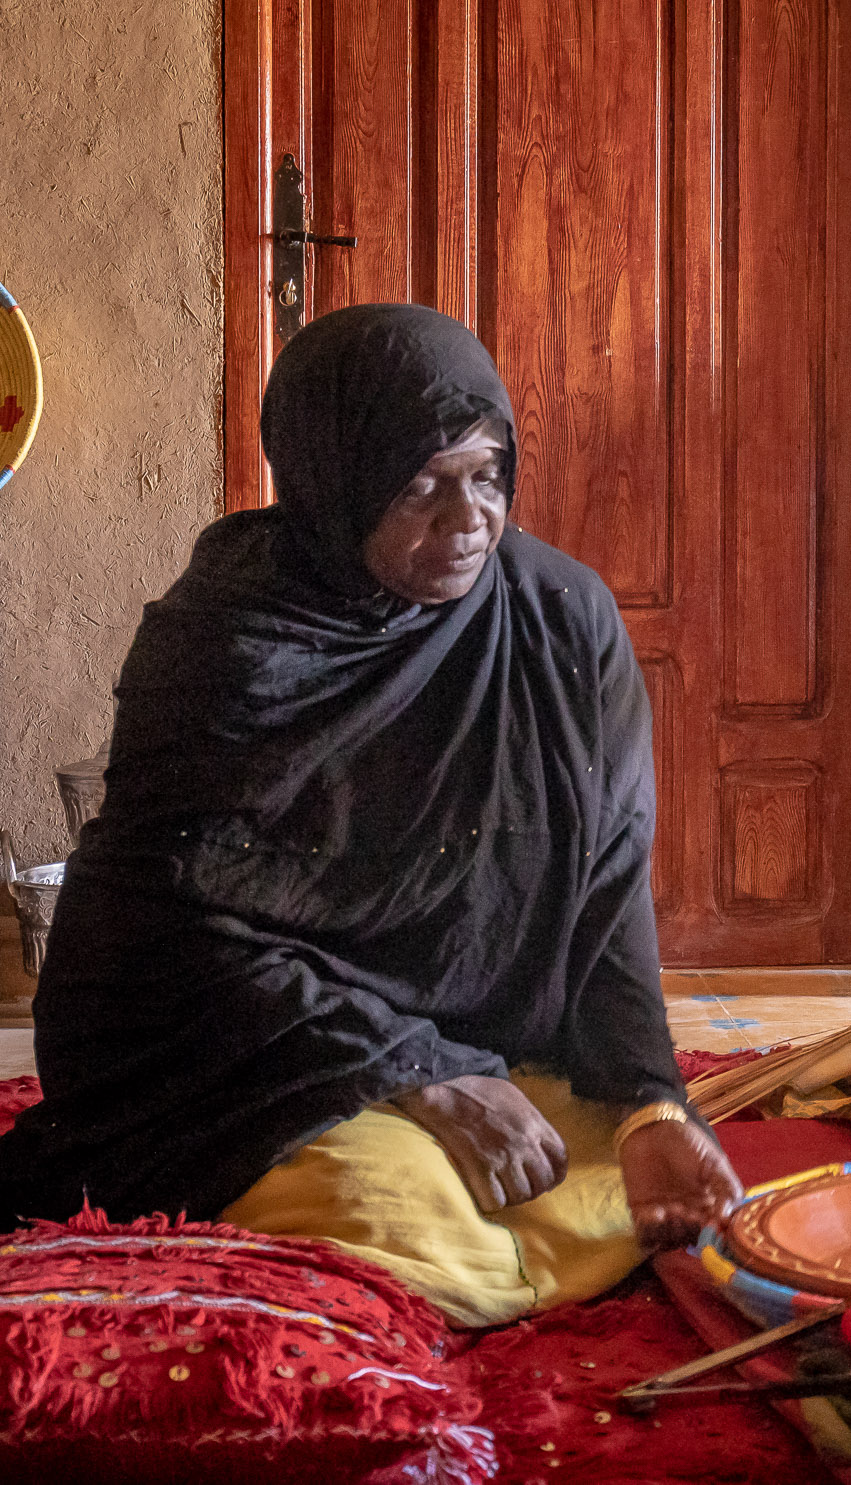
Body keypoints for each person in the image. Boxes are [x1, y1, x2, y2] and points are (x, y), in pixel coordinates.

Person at [0, 304, 742, 1326]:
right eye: (419, 487)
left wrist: (655, 1100)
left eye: (487, 474)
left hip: (486, 1032)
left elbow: (606, 888)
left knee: (639, 1173)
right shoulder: (228, 646)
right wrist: (414, 1075)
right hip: (259, 1052)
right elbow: (161, 933)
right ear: (330, 482)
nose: (468, 519)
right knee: (411, 1226)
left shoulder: (561, 620)